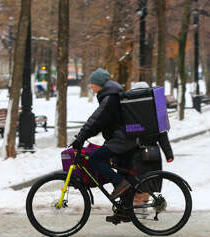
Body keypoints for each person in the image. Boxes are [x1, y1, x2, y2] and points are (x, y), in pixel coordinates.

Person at [70, 68, 137, 200]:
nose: (90, 86)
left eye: (92, 83)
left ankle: (120, 184)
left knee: (95, 158)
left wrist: (81, 138)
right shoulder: (111, 94)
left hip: (121, 139)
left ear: (98, 84)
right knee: (123, 172)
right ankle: (125, 210)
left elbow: (96, 120)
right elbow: (100, 122)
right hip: (125, 137)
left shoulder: (110, 98)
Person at [128, 82, 174, 216]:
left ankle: (138, 209)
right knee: (149, 182)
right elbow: (163, 135)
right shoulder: (156, 112)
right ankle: (142, 209)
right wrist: (168, 154)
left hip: (136, 152)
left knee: (137, 183)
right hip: (153, 153)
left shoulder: (130, 112)